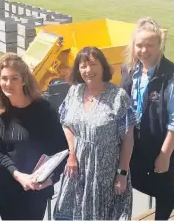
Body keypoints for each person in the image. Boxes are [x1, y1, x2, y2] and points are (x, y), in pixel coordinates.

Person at [53, 46, 137, 220]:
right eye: (83, 66)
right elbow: (66, 123)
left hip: (106, 173)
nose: (88, 70)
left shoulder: (118, 96)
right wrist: (72, 153)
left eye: (93, 64)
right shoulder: (74, 92)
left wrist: (122, 173)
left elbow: (128, 139)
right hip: (77, 171)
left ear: (103, 66)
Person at [121, 17, 174, 220]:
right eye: (139, 45)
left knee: (163, 189)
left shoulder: (173, 76)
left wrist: (165, 155)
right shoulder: (129, 69)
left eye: (149, 45)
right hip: (137, 142)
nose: (143, 50)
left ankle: (171, 205)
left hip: (163, 145)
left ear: (159, 45)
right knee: (133, 179)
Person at [0, 53, 68, 220]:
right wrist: (19, 175)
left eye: (14, 78)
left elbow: (61, 149)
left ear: (24, 80)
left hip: (37, 189)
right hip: (8, 189)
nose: (8, 84)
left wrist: (50, 180)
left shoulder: (44, 110)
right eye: (4, 78)